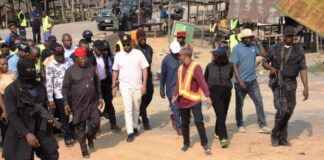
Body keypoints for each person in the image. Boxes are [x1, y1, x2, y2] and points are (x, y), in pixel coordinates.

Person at [3, 58, 59, 160]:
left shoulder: (40, 86)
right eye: (29, 69)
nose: (33, 71)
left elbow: (45, 106)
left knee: (52, 155)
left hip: (41, 129)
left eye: (34, 68)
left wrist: (49, 118)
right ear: (21, 70)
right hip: (21, 131)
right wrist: (27, 134)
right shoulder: (11, 90)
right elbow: (12, 116)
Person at [262, 26, 309, 147]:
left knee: (290, 108)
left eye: (291, 36)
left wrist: (306, 87)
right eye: (287, 36)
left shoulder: (299, 50)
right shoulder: (275, 48)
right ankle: (275, 135)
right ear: (283, 36)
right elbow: (264, 61)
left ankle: (282, 138)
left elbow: (303, 69)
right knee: (283, 109)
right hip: (278, 82)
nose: (289, 38)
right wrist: (271, 68)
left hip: (291, 83)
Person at [62, 48, 103, 158]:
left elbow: (97, 83)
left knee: (96, 122)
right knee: (80, 128)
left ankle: (89, 137)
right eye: (81, 58)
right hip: (77, 104)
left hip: (92, 102)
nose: (84, 60)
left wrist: (100, 97)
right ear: (76, 59)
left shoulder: (91, 68)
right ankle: (84, 149)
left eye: (85, 58)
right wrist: (66, 103)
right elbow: (65, 88)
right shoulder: (70, 71)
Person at [229, 28, 271, 134]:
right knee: (239, 105)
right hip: (240, 82)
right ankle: (240, 124)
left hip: (253, 81)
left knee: (259, 102)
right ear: (242, 38)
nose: (248, 39)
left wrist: (257, 42)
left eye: (250, 37)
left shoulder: (253, 46)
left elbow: (264, 54)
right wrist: (240, 80)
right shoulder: (237, 48)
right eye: (246, 38)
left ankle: (263, 125)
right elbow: (234, 65)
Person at [172, 47, 212, 153]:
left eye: (180, 55)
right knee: (184, 123)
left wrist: (207, 96)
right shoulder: (180, 68)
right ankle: (186, 143)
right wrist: (174, 95)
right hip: (182, 101)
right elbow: (178, 83)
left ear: (186, 55)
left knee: (199, 121)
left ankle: (205, 144)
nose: (179, 56)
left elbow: (202, 82)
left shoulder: (196, 67)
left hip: (194, 101)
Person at [112, 34, 149, 142]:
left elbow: (145, 69)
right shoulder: (118, 55)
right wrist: (113, 86)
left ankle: (135, 127)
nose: (126, 46)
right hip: (125, 87)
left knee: (136, 108)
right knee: (128, 109)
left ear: (131, 43)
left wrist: (144, 84)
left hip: (137, 86)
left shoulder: (138, 53)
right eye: (124, 44)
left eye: (128, 44)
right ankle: (130, 132)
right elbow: (115, 71)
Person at [46, 43, 74, 146]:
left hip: (73, 93)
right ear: (53, 54)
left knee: (77, 114)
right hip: (60, 95)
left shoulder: (70, 61)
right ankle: (67, 136)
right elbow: (49, 83)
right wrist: (50, 99)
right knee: (65, 117)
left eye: (62, 54)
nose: (61, 57)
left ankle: (71, 131)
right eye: (58, 55)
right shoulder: (50, 66)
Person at [204, 47, 233, 148]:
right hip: (214, 92)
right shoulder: (209, 66)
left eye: (215, 55)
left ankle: (217, 131)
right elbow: (205, 80)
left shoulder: (230, 66)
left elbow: (230, 76)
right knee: (220, 114)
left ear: (220, 57)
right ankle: (223, 137)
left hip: (226, 92)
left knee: (223, 114)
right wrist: (207, 95)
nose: (213, 56)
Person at [92, 40, 121, 132]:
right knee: (95, 105)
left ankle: (113, 124)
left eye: (102, 49)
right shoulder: (90, 57)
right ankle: (96, 127)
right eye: (99, 49)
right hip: (95, 85)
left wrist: (113, 81)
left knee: (109, 103)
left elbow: (108, 68)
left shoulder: (104, 56)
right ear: (94, 48)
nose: (101, 51)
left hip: (105, 82)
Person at [160, 40, 182, 135]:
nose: (177, 54)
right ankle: (179, 127)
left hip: (182, 88)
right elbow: (163, 75)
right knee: (176, 106)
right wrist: (161, 89)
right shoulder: (166, 60)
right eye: (175, 52)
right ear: (170, 50)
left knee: (180, 108)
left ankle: (174, 116)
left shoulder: (182, 58)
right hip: (171, 89)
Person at [134, 29, 154, 130]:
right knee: (142, 99)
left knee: (150, 95)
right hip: (139, 78)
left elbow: (150, 62)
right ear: (137, 39)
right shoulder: (135, 50)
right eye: (141, 38)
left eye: (144, 38)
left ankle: (139, 112)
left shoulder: (149, 48)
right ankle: (145, 122)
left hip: (149, 76)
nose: (143, 40)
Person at [0, 56, 16, 147]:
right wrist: (4, 110)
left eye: (6, 64)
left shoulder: (12, 73)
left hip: (11, 100)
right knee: (4, 123)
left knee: (11, 123)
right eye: (2, 64)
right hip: (1, 102)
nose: (5, 66)